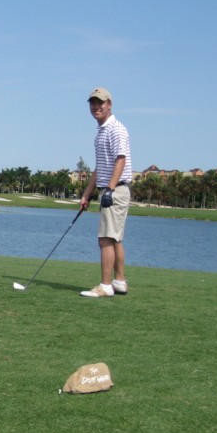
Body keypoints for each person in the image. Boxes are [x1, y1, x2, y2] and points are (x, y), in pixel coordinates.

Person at [78, 87, 133, 298]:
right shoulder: (101, 131)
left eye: (100, 103)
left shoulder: (116, 129)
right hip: (111, 188)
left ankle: (106, 285)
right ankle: (119, 282)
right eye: (92, 103)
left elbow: (121, 159)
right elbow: (100, 167)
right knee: (115, 238)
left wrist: (109, 189)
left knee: (106, 239)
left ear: (109, 104)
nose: (96, 107)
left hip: (116, 189)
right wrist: (87, 194)